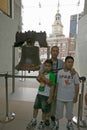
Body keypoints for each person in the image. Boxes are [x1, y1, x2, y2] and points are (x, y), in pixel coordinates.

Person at [26, 59, 56, 129]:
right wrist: (38, 79)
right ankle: (34, 119)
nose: (47, 67)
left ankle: (42, 122)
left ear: (51, 67)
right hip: (39, 94)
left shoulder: (51, 75)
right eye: (45, 66)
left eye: (49, 66)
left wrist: (50, 97)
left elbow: (51, 85)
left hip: (46, 96)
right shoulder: (43, 73)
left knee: (44, 111)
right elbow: (40, 81)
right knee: (35, 107)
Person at [52, 56, 80, 130]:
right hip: (60, 96)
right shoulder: (60, 72)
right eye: (69, 62)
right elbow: (57, 83)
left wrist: (76, 96)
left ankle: (69, 123)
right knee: (58, 111)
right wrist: (55, 93)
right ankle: (56, 123)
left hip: (70, 97)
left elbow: (77, 85)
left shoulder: (74, 73)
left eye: (72, 62)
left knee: (69, 112)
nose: (70, 64)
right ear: (65, 63)